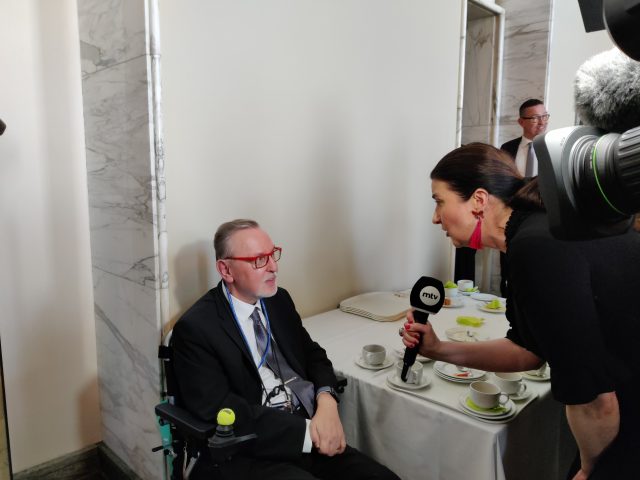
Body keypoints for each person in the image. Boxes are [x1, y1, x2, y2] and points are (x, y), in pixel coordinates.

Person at [401, 144, 640, 479]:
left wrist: (589, 471)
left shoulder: (536, 246)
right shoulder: (526, 234)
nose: (435, 217)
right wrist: (439, 349)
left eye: (439, 201)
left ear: (478, 200)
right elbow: (528, 351)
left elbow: (595, 401)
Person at [173, 219, 399, 480]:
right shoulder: (196, 328)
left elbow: (313, 355)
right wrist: (308, 432)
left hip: (308, 431)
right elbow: (220, 408)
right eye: (259, 260)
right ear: (226, 270)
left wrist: (327, 401)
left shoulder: (278, 300)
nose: (274, 267)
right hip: (249, 449)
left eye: (273, 254)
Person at [498, 99, 550, 297]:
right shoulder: (507, 148)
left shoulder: (554, 147)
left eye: (544, 116)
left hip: (541, 218)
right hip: (511, 217)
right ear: (521, 122)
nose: (542, 122)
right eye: (535, 118)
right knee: (509, 267)